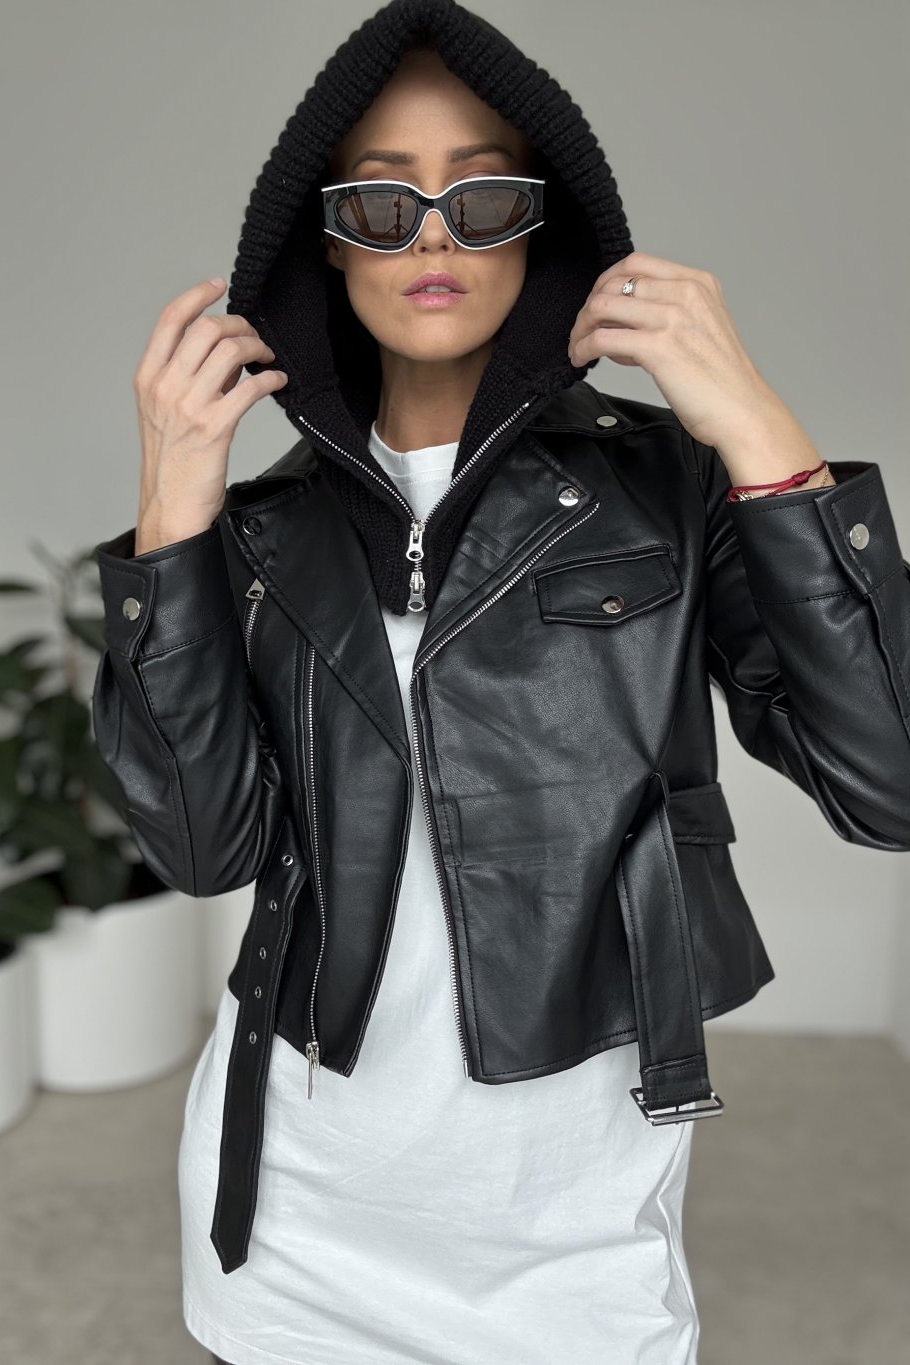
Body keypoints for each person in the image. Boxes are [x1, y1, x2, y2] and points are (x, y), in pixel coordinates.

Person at [90, 2, 910, 1363]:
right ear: (325, 240)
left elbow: (891, 783)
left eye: (481, 198)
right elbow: (200, 846)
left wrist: (762, 431)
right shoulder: (258, 535)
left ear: (541, 227)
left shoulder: (674, 488)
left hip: (571, 1240)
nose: (432, 239)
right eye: (381, 202)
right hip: (292, 1223)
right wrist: (173, 508)